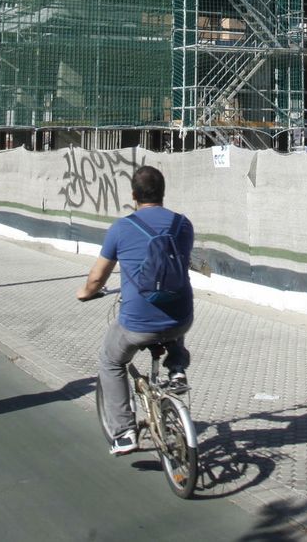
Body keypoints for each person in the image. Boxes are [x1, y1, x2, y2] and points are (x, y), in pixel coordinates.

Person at [76, 164, 194, 455]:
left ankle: (124, 432)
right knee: (171, 312)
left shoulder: (121, 228)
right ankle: (176, 367)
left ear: (133, 195)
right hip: (182, 316)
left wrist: (85, 293)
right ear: (163, 193)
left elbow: (97, 278)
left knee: (110, 360)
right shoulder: (183, 224)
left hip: (137, 322)